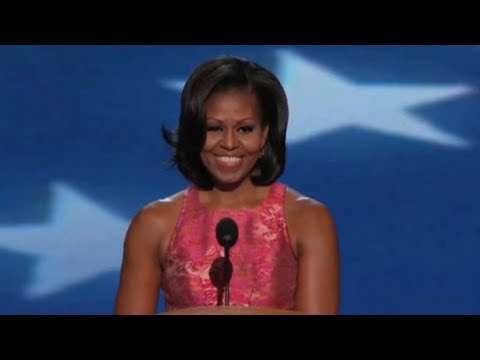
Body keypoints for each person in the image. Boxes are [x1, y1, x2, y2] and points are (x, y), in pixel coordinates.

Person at [114, 54, 340, 315]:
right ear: (194, 132)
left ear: (265, 134)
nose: (229, 143)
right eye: (214, 128)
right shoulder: (153, 223)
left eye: (245, 129)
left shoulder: (308, 219)